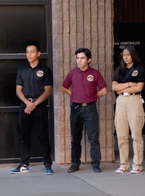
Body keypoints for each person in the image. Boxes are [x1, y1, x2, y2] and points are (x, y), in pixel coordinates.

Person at [61, 47, 107, 173]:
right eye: (77, 58)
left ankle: (96, 164)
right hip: (76, 108)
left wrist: (93, 96)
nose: (79, 61)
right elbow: (63, 87)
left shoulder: (95, 73)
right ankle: (75, 163)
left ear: (89, 60)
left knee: (93, 138)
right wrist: (73, 94)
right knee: (75, 138)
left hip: (90, 108)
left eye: (82, 58)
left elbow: (104, 90)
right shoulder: (73, 73)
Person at [14, 41, 54, 175]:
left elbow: (48, 91)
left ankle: (48, 165)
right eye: (27, 52)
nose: (29, 54)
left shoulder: (45, 70)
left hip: (39, 107)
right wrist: (27, 103)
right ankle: (24, 164)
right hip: (25, 107)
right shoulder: (22, 70)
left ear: (38, 53)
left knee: (43, 137)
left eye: (32, 52)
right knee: (24, 137)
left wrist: (34, 104)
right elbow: (18, 90)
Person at [112, 45, 145, 174]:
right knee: (121, 134)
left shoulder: (139, 68)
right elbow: (114, 87)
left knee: (136, 133)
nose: (126, 57)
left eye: (128, 55)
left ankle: (137, 164)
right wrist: (129, 84)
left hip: (134, 99)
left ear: (133, 55)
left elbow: (139, 87)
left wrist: (122, 88)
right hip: (121, 100)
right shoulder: (119, 70)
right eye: (124, 55)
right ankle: (123, 163)